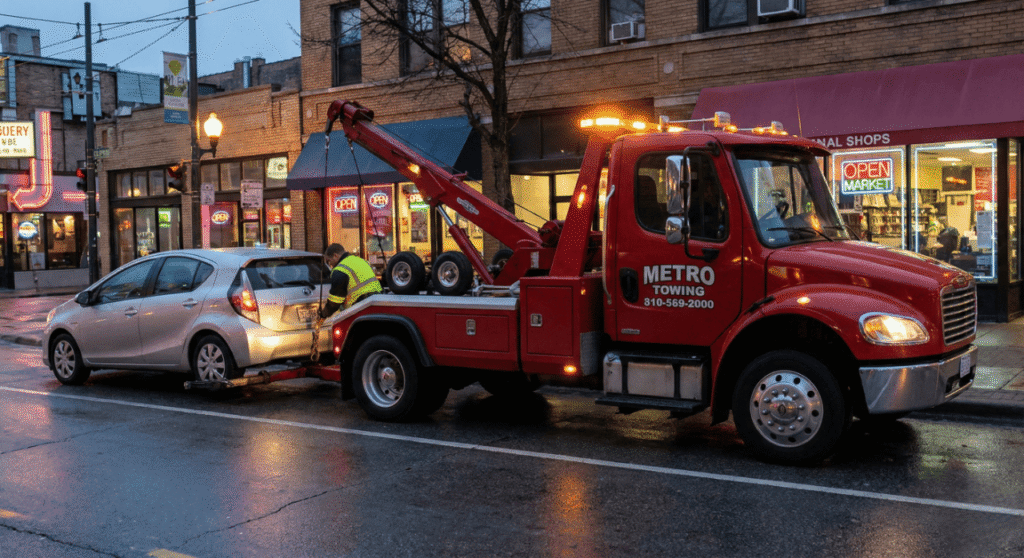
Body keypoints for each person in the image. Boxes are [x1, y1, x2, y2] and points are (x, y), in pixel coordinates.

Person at [319, 243, 383, 319]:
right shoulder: (360, 260)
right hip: (377, 301)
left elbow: (335, 302)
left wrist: (323, 314)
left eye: (329, 261)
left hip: (361, 307)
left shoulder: (340, 270)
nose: (330, 264)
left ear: (335, 256)